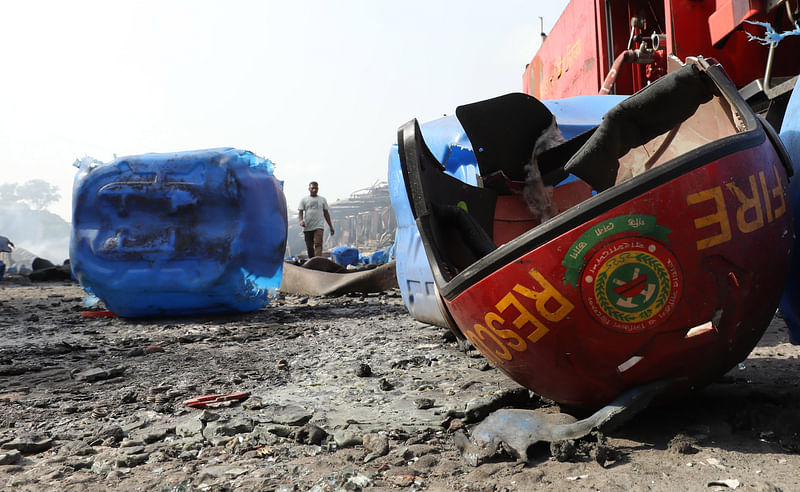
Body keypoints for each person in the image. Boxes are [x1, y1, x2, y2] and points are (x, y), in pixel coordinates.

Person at [298, 181, 334, 258]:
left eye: (316, 188)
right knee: (309, 246)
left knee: (318, 244)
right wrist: (301, 221)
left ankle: (317, 260)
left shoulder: (322, 199)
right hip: (307, 226)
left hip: (319, 226)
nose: (314, 190)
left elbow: (326, 213)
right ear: (309, 189)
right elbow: (300, 212)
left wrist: (331, 226)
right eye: (312, 188)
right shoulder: (304, 200)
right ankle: (312, 261)